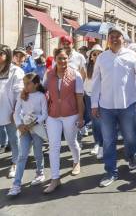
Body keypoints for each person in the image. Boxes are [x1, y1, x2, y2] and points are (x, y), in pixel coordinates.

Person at [91, 26, 136, 187]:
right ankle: (110, 171)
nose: (114, 38)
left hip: (127, 105)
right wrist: (94, 104)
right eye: (111, 36)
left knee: (130, 137)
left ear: (124, 39)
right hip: (106, 106)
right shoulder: (102, 57)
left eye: (118, 36)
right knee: (109, 140)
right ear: (107, 39)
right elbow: (95, 81)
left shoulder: (132, 56)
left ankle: (130, 155)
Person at [43, 48, 84, 193]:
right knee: (54, 146)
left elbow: (80, 98)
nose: (63, 61)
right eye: (60, 58)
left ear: (69, 59)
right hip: (52, 116)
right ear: (55, 59)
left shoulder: (75, 75)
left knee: (71, 141)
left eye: (65, 58)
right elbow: (43, 92)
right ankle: (55, 179)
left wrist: (80, 116)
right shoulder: (49, 74)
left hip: (70, 114)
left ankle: (76, 161)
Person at [8, 73, 47, 196]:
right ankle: (16, 184)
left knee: (37, 152)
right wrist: (19, 125)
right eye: (24, 83)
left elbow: (45, 114)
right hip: (24, 129)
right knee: (22, 155)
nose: (24, 85)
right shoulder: (22, 96)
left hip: (37, 129)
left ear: (36, 84)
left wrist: (34, 123)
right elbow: (16, 112)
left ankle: (40, 173)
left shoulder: (41, 96)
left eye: (27, 83)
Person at [0, 44, 24, 179]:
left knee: (14, 139)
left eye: (0, 53)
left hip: (10, 112)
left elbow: (20, 92)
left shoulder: (16, 71)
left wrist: (16, 111)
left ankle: (15, 162)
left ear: (7, 55)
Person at [84, 44, 104, 159]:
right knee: (95, 122)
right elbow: (83, 82)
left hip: (102, 97)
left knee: (101, 122)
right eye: (94, 54)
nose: (97, 55)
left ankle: (102, 145)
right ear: (91, 56)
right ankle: (97, 143)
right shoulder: (87, 67)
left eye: (99, 53)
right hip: (89, 96)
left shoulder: (105, 66)